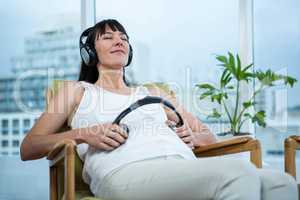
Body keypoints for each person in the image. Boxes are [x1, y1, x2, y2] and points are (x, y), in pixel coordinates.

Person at [20, 19, 298, 200]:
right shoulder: (77, 91)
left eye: (123, 38)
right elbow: (29, 147)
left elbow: (208, 138)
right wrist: (83, 135)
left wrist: (192, 135)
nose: (119, 41)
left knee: (281, 184)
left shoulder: (153, 93)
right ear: (90, 53)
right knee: (239, 174)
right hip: (125, 172)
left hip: (180, 169)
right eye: (108, 37)